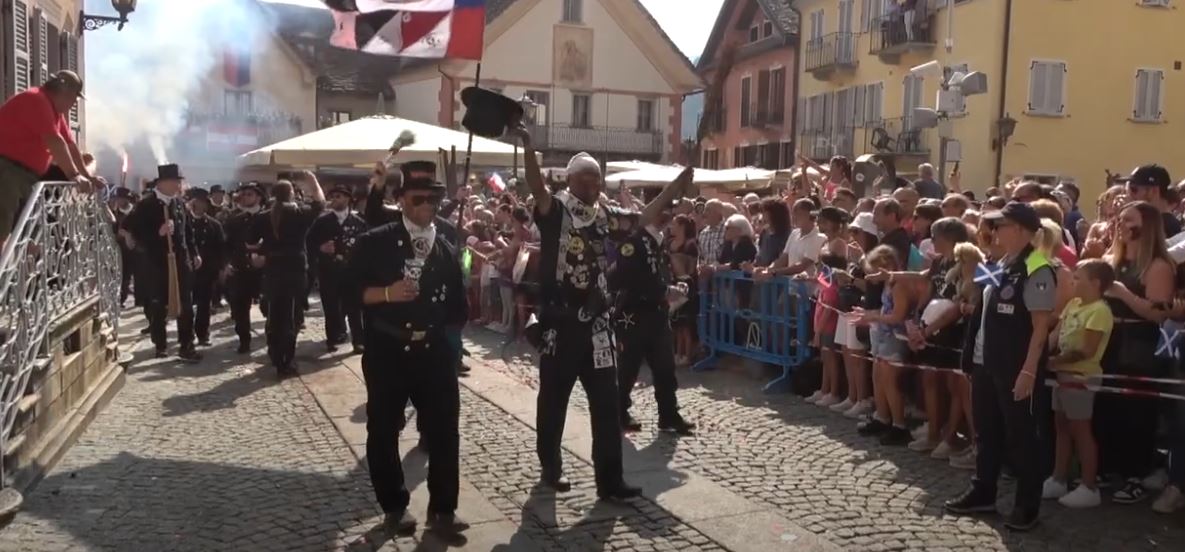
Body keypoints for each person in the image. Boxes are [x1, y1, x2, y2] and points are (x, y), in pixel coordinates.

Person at [514, 123, 688, 501]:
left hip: (597, 325)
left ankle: (610, 480)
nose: (594, 185)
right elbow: (536, 187)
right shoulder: (555, 209)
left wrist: (672, 191)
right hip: (560, 325)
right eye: (586, 178)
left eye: (597, 179)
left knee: (607, 405)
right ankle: (551, 468)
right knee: (553, 402)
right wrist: (528, 147)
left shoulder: (604, 216)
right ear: (571, 180)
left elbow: (641, 219)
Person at [349, 160, 469, 536]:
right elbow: (349, 291)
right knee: (384, 430)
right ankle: (394, 506)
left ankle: (443, 509)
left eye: (434, 200)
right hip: (388, 349)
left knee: (445, 431)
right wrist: (387, 293)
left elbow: (457, 305)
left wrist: (450, 340)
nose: (427, 207)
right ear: (400, 199)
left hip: (433, 350)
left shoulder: (445, 243)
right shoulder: (375, 241)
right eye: (419, 199)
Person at [945, 201, 1056, 532]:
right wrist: (970, 354)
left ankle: (1026, 504)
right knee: (987, 431)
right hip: (986, 361)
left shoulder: (1038, 266)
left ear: (1019, 229)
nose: (994, 231)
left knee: (1022, 437)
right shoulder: (999, 262)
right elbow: (982, 309)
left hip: (1015, 366)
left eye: (1001, 226)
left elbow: (1041, 327)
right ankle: (983, 491)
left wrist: (1029, 370)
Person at [612, 203, 696, 436]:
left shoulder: (659, 240)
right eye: (665, 210)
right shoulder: (635, 241)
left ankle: (668, 414)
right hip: (634, 314)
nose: (669, 215)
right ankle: (618, 413)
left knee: (665, 368)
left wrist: (674, 286)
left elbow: (657, 273)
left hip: (657, 314)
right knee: (628, 368)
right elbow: (629, 277)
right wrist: (664, 290)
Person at [1042, 259, 1115, 509]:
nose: (1073, 281)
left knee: (1081, 430)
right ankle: (1058, 478)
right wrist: (1040, 354)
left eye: (1078, 278)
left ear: (1095, 283)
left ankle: (1088, 485)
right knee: (1061, 426)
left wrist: (1053, 362)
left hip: (1081, 378)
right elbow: (1055, 336)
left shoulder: (1100, 311)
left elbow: (1087, 350)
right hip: (1062, 375)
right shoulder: (1072, 304)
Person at [0, 70, 91, 244]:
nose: (73, 104)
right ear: (65, 93)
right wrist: (74, 175)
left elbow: (70, 145)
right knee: (3, 225)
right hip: (7, 170)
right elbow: (55, 141)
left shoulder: (53, 110)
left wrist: (87, 176)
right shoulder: (36, 99)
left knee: (31, 231)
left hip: (25, 176)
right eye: (74, 99)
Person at [124, 164, 202, 362]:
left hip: (181, 261)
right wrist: (157, 233)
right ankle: (160, 344)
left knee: (186, 304)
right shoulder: (146, 205)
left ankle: (187, 345)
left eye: (179, 181)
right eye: (175, 181)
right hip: (156, 263)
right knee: (158, 304)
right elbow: (134, 233)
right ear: (163, 183)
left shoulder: (179, 204)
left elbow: (188, 232)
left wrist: (194, 253)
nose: (178, 185)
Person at [251, 173, 325, 376]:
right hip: (295, 269)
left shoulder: (263, 216)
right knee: (292, 316)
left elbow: (251, 242)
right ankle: (287, 360)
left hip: (273, 268)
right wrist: (312, 181)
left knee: (275, 314)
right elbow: (320, 203)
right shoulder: (300, 213)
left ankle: (275, 353)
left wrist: (263, 250)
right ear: (292, 194)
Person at [309, 185, 369, 354]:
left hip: (351, 272)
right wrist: (320, 248)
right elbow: (308, 242)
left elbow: (367, 246)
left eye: (338, 196)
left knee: (354, 308)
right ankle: (332, 338)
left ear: (348, 199)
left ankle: (358, 341)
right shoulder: (322, 221)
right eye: (333, 196)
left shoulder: (359, 222)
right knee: (331, 307)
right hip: (329, 271)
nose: (334, 199)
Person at [223, 183, 265, 354]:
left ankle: (273, 336)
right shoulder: (235, 219)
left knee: (270, 305)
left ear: (258, 197)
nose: (246, 197)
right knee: (240, 307)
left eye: (250, 194)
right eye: (244, 194)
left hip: (264, 270)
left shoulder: (268, 217)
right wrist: (226, 263)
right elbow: (226, 244)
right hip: (240, 268)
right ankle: (244, 340)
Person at [187, 188, 225, 347]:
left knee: (204, 305)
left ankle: (203, 334)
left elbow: (221, 248)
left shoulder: (214, 225)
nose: (201, 205)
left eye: (204, 202)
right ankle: (187, 336)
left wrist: (221, 268)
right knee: (186, 305)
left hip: (207, 271)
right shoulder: (184, 223)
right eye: (197, 202)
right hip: (187, 271)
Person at [1126, 164, 1183, 237]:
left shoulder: (1165, 225)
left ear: (1153, 191)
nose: (1129, 194)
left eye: (1133, 189)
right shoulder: (1152, 222)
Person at [111, 187, 137, 306]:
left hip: (131, 248)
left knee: (127, 274)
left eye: (121, 198)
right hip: (118, 247)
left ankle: (123, 297)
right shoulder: (115, 213)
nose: (119, 201)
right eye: (118, 198)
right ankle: (118, 298)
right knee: (118, 273)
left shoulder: (134, 212)